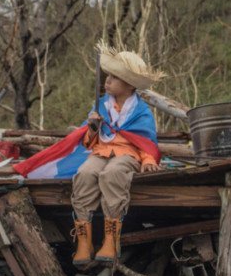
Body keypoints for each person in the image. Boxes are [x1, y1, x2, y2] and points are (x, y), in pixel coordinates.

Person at [70, 46, 164, 264]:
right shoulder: (100, 106)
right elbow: (88, 142)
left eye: (115, 77)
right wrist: (92, 128)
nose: (107, 81)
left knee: (113, 174)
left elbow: (146, 142)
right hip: (101, 152)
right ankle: (84, 242)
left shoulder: (141, 112)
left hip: (127, 155)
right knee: (84, 174)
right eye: (108, 76)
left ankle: (111, 240)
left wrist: (148, 160)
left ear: (130, 84)